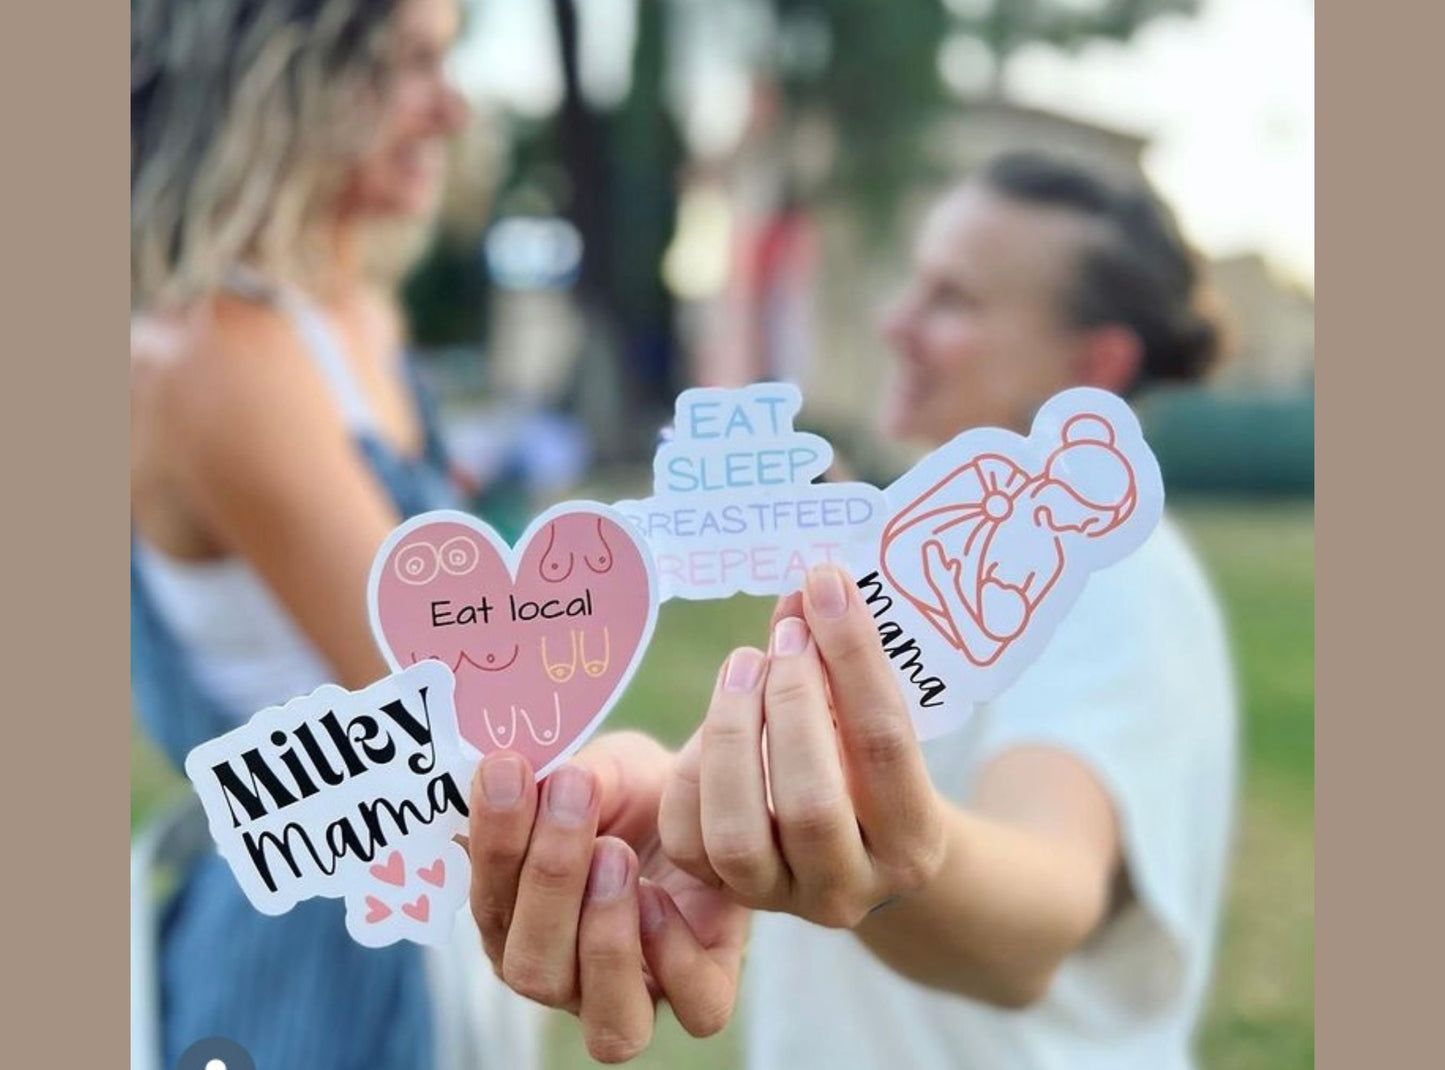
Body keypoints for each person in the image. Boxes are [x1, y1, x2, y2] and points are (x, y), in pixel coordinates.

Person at [465, 149, 1237, 1069]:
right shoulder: (891, 561)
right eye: (915, 283)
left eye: (952, 299)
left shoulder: (1118, 578)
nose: (894, 321)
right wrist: (689, 797)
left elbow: (1045, 908)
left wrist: (881, 849)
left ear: (1095, 363)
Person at [130, 1, 536, 1067]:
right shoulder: (216, 357)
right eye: (406, 66)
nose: (450, 110)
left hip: (425, 903)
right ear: (268, 77)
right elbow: (455, 707)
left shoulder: (355, 317)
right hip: (309, 949)